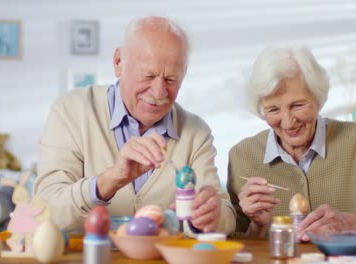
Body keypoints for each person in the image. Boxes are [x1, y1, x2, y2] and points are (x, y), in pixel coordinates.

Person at [34, 16, 235, 235]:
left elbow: (226, 216)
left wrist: (210, 216)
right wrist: (111, 179)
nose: (159, 92)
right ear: (118, 62)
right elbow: (45, 210)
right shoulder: (71, 111)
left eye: (171, 80)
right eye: (147, 75)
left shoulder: (196, 133)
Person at [227, 46, 356, 240]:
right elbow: (231, 241)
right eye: (273, 110)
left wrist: (352, 223)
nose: (288, 122)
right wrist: (259, 227)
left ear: (318, 97)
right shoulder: (243, 155)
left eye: (297, 105)